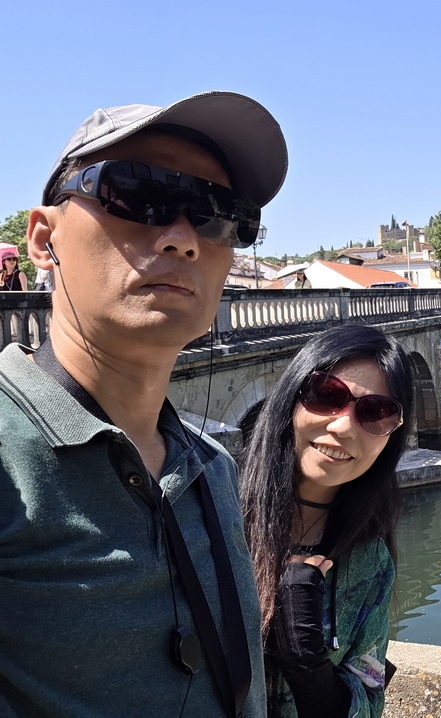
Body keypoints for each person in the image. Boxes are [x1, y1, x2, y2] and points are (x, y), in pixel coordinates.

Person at [0, 91, 288, 716]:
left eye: (218, 215)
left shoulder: (213, 468)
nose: (183, 238)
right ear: (44, 240)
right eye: (137, 193)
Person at [239, 324, 413, 718]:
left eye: (376, 412)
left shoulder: (369, 561)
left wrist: (307, 663)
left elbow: (369, 703)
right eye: (326, 395)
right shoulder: (214, 515)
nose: (343, 426)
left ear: (392, 436)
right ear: (291, 398)